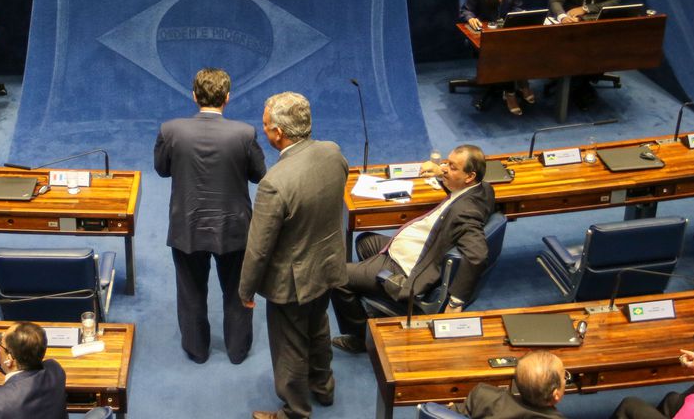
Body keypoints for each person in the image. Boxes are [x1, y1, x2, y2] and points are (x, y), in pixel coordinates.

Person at [240, 92, 349, 419]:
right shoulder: (333, 152)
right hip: (327, 264)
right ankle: (323, 388)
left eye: (265, 126)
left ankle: (295, 411)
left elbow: (259, 248)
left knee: (289, 348)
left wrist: (246, 290)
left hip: (292, 281)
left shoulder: (274, 183)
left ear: (278, 133)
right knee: (319, 327)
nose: (263, 130)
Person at [330, 144, 494, 354]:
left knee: (336, 277)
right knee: (364, 241)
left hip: (407, 266)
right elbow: (458, 193)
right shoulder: (482, 190)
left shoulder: (466, 212)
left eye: (452, 167)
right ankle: (375, 289)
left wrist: (456, 302)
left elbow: (478, 255)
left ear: (470, 176)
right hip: (412, 247)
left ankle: (360, 337)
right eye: (447, 163)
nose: (445, 168)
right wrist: (440, 172)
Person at [155, 68, 266, 365]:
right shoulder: (245, 133)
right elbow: (259, 175)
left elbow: (162, 169)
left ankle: (197, 350)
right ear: (227, 97)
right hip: (234, 229)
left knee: (190, 293)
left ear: (194, 96)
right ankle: (237, 351)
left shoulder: (170, 130)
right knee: (238, 292)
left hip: (187, 228)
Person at [548, 0, 623, 109]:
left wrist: (586, 9)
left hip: (595, 21)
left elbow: (615, 1)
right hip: (572, 24)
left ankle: (584, 81)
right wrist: (563, 17)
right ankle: (579, 85)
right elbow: (555, 1)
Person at [459, 0, 534, 115]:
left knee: (526, 44)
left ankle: (522, 81)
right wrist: (471, 18)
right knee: (506, 51)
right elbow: (465, 10)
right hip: (486, 34)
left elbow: (517, 6)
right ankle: (510, 92)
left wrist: (519, 14)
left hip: (507, 31)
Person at [455, 351, 568, 419]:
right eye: (564, 376)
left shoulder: (483, 395)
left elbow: (452, 413)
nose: (565, 379)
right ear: (556, 395)